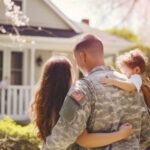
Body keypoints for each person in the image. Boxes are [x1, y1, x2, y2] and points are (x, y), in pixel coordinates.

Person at [42, 35, 150, 150]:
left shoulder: (82, 89)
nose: (77, 66)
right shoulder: (133, 87)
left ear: (82, 56)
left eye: (76, 60)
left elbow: (64, 135)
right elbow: (146, 135)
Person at [30, 56, 132, 148]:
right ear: (68, 76)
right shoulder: (74, 98)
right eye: (72, 70)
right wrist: (121, 134)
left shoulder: (42, 102)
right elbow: (83, 139)